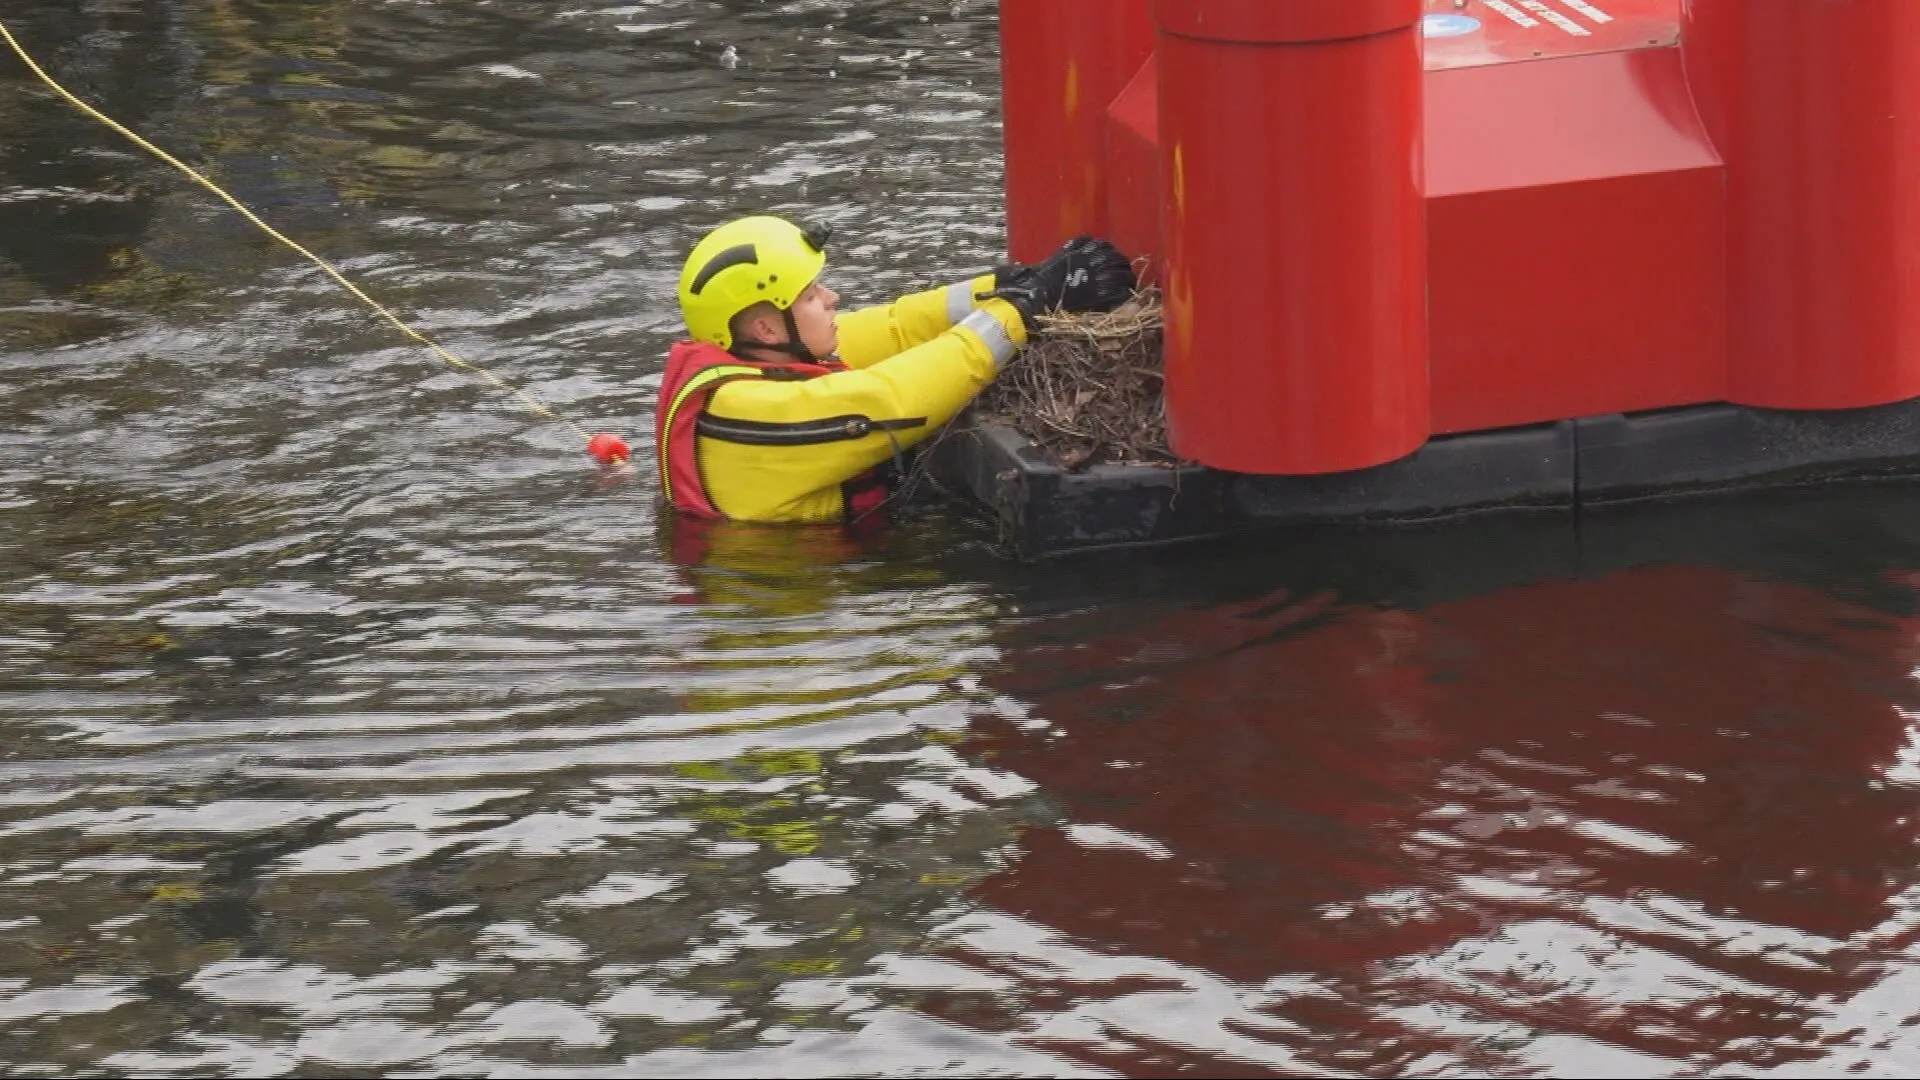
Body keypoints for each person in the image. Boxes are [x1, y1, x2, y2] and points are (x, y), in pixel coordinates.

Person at [654, 214, 1135, 524]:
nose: (832, 299)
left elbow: (893, 326)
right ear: (765, 329)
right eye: (812, 295)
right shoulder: (753, 409)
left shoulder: (754, 358)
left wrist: (1002, 285)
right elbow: (892, 399)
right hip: (798, 583)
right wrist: (1024, 309)